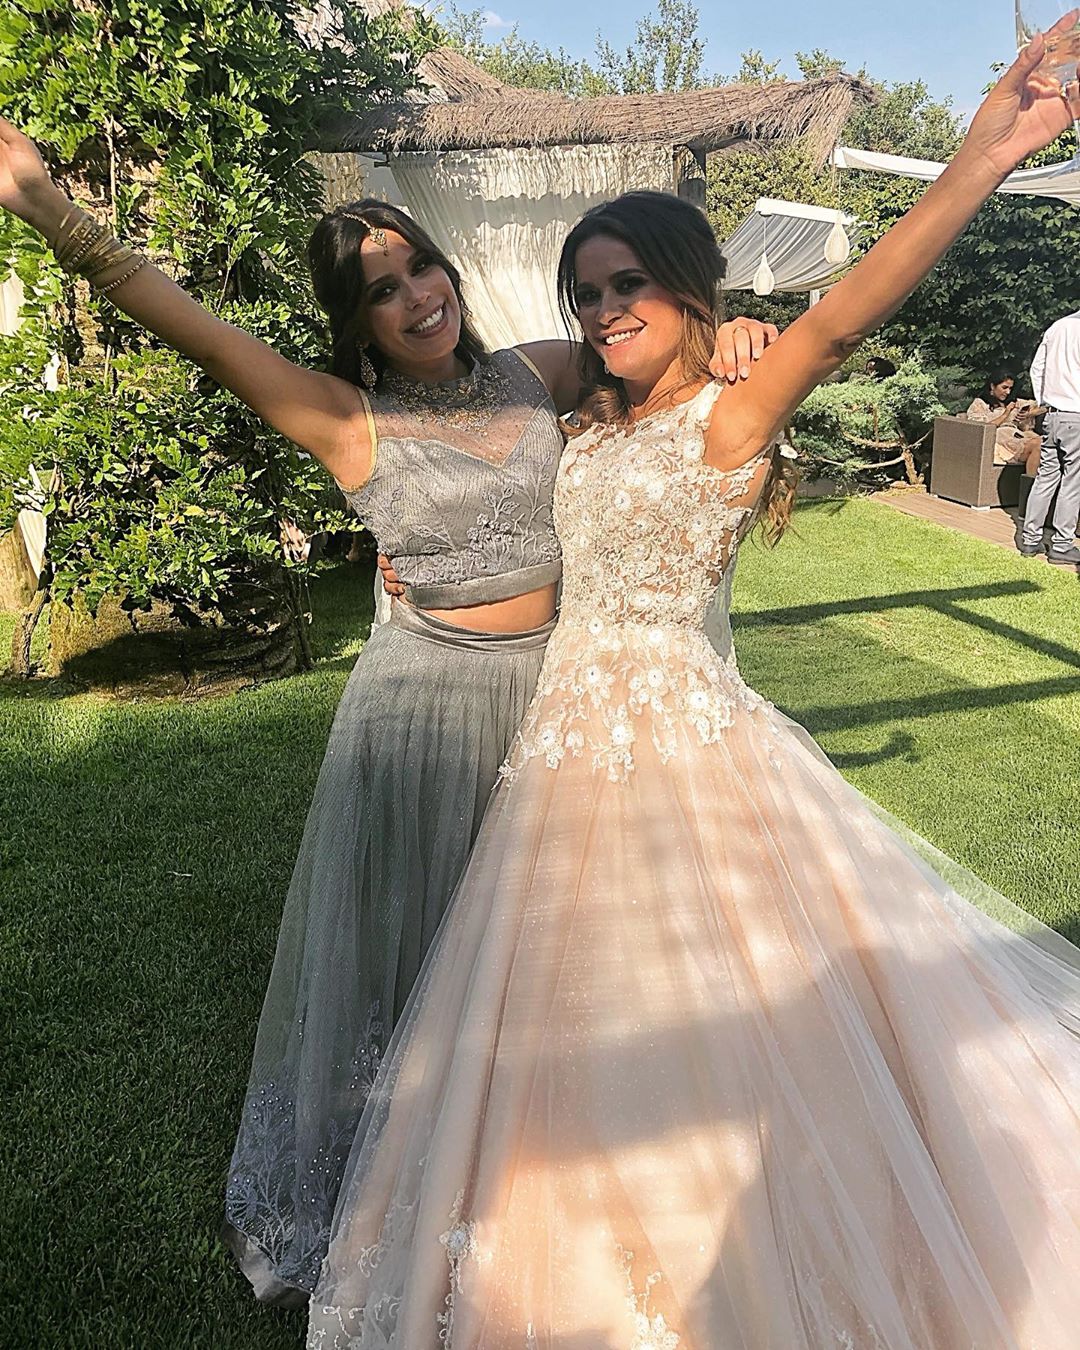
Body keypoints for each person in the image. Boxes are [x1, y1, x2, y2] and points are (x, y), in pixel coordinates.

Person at [308, 30, 1080, 1348]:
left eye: (629, 286)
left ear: (685, 290)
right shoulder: (581, 411)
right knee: (558, 1024)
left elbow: (847, 315)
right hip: (562, 749)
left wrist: (986, 152)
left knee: (717, 1009)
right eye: (586, 293)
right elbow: (465, 426)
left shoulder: (732, 413)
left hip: (682, 742)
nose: (604, 310)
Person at [0, 130, 773, 1306]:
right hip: (424, 714)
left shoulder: (542, 373)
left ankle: (526, 1180)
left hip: (555, 701)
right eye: (382, 290)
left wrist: (744, 329)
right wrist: (46, 207)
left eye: (421, 267)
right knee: (415, 957)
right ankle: (387, 1197)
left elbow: (651, 341)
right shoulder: (343, 417)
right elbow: (186, 324)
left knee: (536, 964)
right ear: (356, 324)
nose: (418, 297)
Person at [1020, 309, 1080, 564]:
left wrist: (1045, 400)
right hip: (1077, 415)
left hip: (1052, 416)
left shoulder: (1057, 327)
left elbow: (1037, 368)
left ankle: (1030, 539)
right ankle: (1062, 545)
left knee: (1045, 478)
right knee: (1072, 483)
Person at [965, 368, 1043, 472]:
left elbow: (1043, 406)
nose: (1008, 392)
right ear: (992, 386)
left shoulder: (1014, 402)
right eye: (1004, 387)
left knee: (1046, 442)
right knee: (1038, 444)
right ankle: (1030, 480)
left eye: (1010, 388)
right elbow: (980, 429)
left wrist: (1029, 414)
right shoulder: (980, 404)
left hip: (1018, 436)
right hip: (1001, 440)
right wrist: (1006, 413)